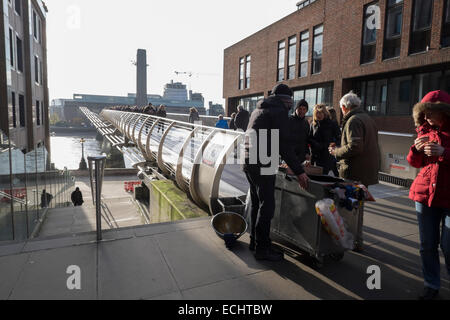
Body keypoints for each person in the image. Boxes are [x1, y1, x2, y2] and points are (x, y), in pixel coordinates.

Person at [244, 83, 309, 261]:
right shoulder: (278, 111)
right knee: (267, 206)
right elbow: (284, 144)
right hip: (263, 163)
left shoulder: (259, 109)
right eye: (290, 102)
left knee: (257, 203)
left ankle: (255, 241)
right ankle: (262, 250)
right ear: (286, 100)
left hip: (249, 160)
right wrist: (299, 171)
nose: (290, 106)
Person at [406, 90, 450, 300]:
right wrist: (415, 149)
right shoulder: (424, 130)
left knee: (448, 246)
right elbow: (415, 163)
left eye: (430, 112)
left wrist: (444, 153)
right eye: (423, 113)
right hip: (425, 196)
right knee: (427, 245)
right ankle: (431, 285)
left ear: (443, 112)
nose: (426, 117)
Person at [329, 91, 380, 252]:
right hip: (366, 170)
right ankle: (357, 240)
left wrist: (336, 151)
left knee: (351, 209)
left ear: (344, 107)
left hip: (354, 171)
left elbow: (355, 147)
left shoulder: (354, 120)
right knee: (358, 207)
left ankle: (353, 241)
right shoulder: (368, 119)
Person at [309, 104, 340, 176]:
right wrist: (314, 143)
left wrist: (331, 145)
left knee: (326, 176)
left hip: (327, 156)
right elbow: (309, 138)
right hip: (316, 156)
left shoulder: (332, 124)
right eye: (317, 113)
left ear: (325, 113)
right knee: (315, 176)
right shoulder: (313, 124)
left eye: (321, 113)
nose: (319, 115)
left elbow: (339, 138)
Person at [288, 99, 311, 164]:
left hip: (302, 157)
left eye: (304, 109)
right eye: (300, 109)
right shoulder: (289, 120)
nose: (302, 111)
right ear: (296, 109)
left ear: (307, 110)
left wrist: (307, 153)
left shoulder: (306, 123)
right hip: (289, 156)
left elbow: (306, 139)